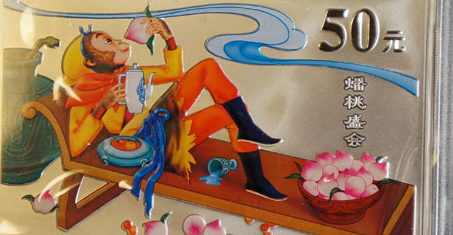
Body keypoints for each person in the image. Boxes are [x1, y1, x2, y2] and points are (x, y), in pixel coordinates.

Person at [60, 17, 287, 201]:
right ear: (91, 62)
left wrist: (168, 38)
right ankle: (248, 135)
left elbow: (173, 72)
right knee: (229, 112)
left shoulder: (128, 73)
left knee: (209, 70)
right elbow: (77, 147)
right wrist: (103, 106)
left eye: (113, 39)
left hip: (157, 127)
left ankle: (255, 177)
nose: (118, 42)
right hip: (144, 147)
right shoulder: (86, 89)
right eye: (107, 42)